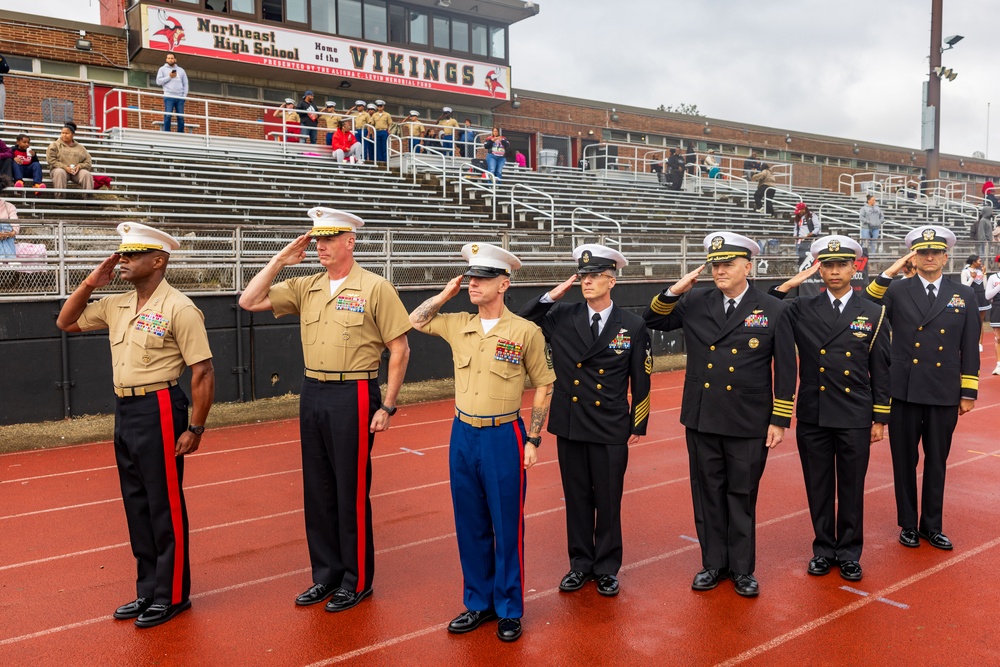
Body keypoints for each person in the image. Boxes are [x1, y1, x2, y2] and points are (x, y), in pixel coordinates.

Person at [238, 207, 410, 612]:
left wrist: (388, 404)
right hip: (312, 391)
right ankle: (326, 575)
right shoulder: (306, 286)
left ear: (350, 242)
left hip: (355, 393)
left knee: (350, 489)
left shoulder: (375, 287)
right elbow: (248, 300)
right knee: (317, 490)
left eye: (329, 239)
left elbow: (399, 348)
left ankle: (356, 580)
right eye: (317, 240)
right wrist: (280, 260)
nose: (321, 246)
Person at [55, 222, 215, 628]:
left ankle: (173, 594)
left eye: (132, 254)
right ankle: (148, 590)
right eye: (121, 254)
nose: (122, 260)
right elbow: (66, 322)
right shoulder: (118, 304)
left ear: (158, 260)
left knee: (164, 505)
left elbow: (203, 371)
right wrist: (92, 281)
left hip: (161, 406)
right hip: (125, 411)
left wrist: (195, 428)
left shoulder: (179, 307)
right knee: (137, 504)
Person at [408, 242, 554, 643]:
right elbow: (415, 320)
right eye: (471, 277)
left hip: (504, 434)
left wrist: (534, 438)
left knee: (506, 526)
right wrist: (444, 294)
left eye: (483, 278)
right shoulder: (458, 323)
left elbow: (544, 385)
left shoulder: (526, 332)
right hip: (463, 434)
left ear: (503, 283)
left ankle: (508, 609)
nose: (474, 283)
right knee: (469, 524)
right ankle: (478, 603)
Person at [643, 231, 796, 597]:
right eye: (715, 264)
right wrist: (675, 289)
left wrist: (780, 418)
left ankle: (742, 569)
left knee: (741, 494)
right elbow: (654, 319)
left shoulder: (772, 308)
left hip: (748, 418)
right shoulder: (695, 299)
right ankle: (713, 564)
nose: (720, 270)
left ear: (749, 265)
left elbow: (786, 367)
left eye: (728, 263)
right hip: (702, 414)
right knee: (707, 492)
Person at [519, 244, 651, 597]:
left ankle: (606, 568)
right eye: (583, 276)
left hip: (609, 424)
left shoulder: (633, 325)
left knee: (608, 499)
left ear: (611, 281)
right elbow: (524, 317)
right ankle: (580, 564)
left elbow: (642, 377)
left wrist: (638, 423)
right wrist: (553, 293)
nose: (586, 282)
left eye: (594, 277)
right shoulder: (562, 314)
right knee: (576, 498)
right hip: (572, 422)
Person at [769, 236, 891, 582]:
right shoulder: (802, 308)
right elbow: (765, 306)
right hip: (814, 412)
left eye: (841, 264)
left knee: (852, 487)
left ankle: (850, 552)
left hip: (855, 413)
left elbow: (882, 369)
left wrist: (880, 417)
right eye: (827, 265)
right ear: (818, 269)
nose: (834, 271)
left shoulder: (873, 311)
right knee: (818, 485)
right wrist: (793, 282)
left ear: (856, 267)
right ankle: (823, 548)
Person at [864, 226, 979, 551]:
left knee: (937, 460)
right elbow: (866, 300)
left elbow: (969, 344)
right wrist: (892, 270)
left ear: (945, 256)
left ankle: (932, 525)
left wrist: (968, 391)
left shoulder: (964, 294)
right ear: (913, 256)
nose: (929, 257)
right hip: (904, 391)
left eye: (935, 252)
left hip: (943, 390)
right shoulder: (898, 290)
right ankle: (908, 525)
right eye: (922, 252)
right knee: (904, 461)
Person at [46, 122, 94, 197]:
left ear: (73, 135)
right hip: (59, 170)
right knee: (60, 172)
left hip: (75, 171)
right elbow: (51, 160)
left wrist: (80, 166)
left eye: (67, 133)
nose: (64, 135)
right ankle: (60, 198)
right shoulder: (54, 145)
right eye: (62, 133)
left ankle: (89, 197)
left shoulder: (80, 147)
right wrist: (65, 167)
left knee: (86, 174)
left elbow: (88, 161)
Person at [960, 254, 989, 351]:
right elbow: (964, 287)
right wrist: (972, 278)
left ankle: (980, 343)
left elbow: (985, 286)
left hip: (982, 297)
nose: (981, 263)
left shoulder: (980, 271)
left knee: (981, 322)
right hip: (972, 297)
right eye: (979, 261)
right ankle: (969, 342)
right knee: (971, 321)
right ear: (973, 262)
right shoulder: (965, 272)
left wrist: (984, 274)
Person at [155, 53, 188, 133]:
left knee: (180, 116)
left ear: (175, 59)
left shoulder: (181, 70)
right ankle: (167, 132)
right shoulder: (162, 69)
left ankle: (180, 132)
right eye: (169, 58)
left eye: (172, 58)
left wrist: (184, 95)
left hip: (180, 97)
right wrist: (169, 77)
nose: (170, 59)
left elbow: (185, 83)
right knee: (168, 114)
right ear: (166, 60)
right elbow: (158, 82)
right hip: (169, 96)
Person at [985, 256, 1000, 375]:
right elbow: (987, 296)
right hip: (997, 307)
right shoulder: (993, 278)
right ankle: (999, 365)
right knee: (998, 338)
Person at [0, 175, 19, 258]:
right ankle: (10, 258)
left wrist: (11, 233)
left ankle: (3, 258)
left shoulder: (9, 206)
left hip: (7, 236)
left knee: (5, 226)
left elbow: (15, 224)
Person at [0, 53, 9, 122]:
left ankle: (1, 126)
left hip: (0, 84)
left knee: (0, 106)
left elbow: (6, 68)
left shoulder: (0, 57)